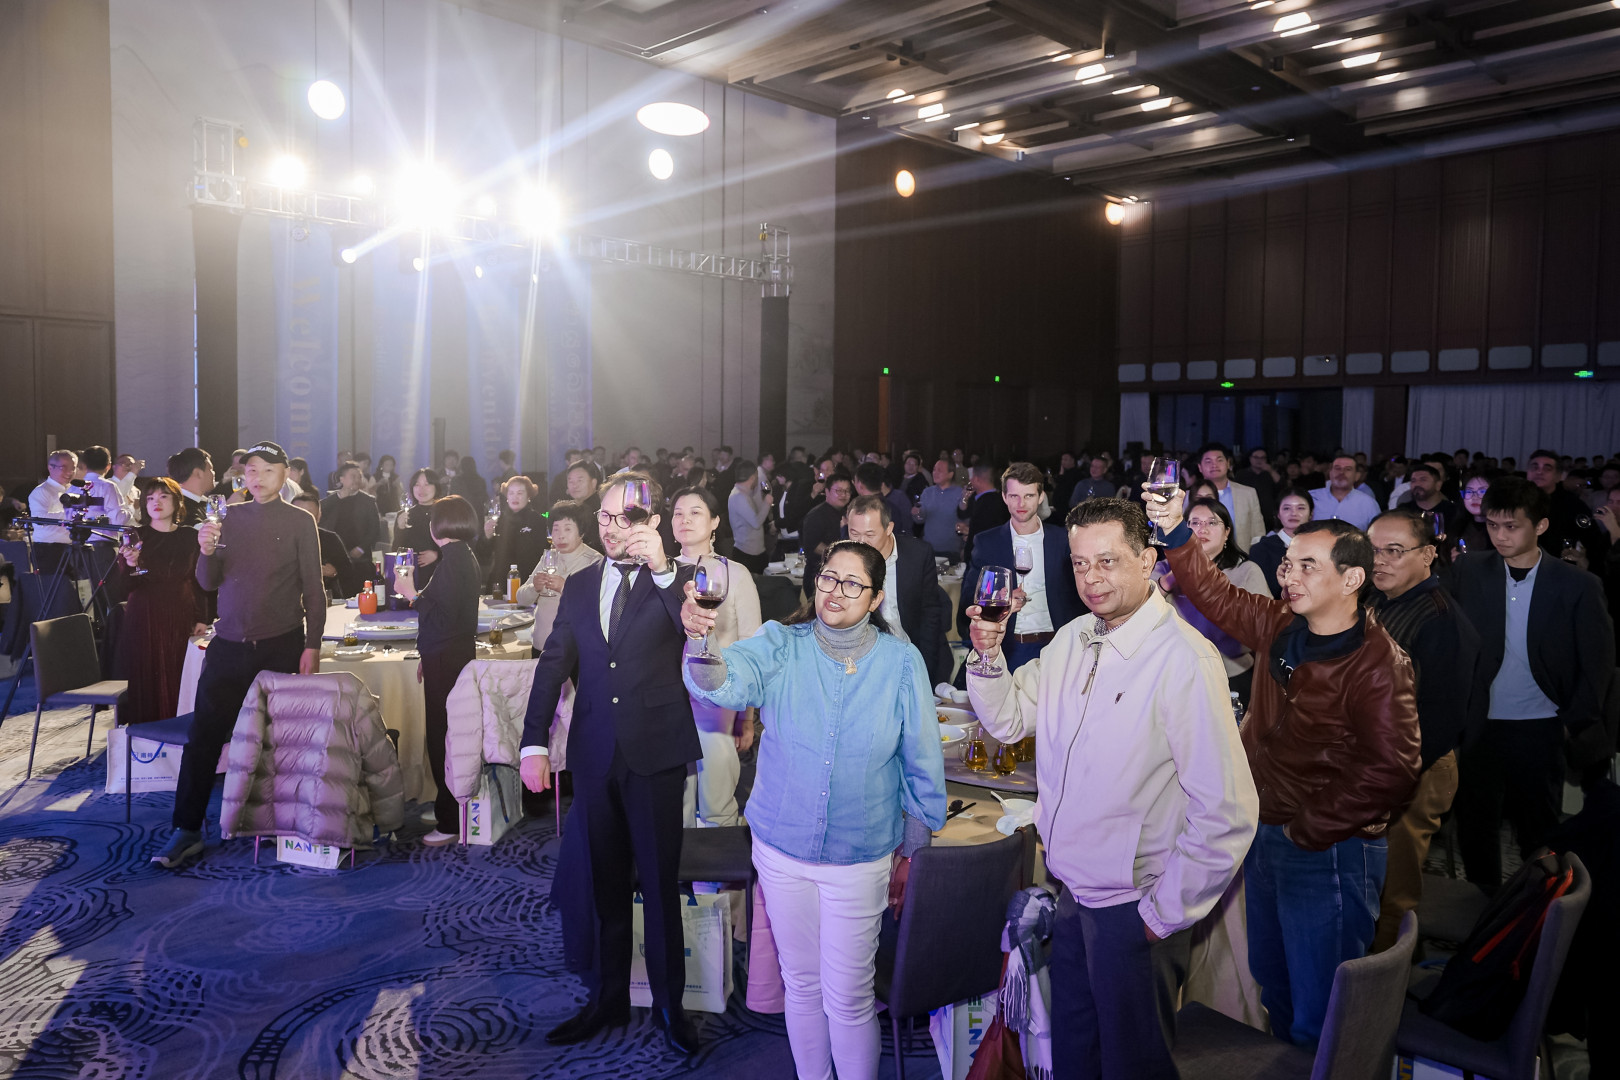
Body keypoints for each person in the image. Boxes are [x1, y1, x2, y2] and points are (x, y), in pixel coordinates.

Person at [964, 498, 1258, 1080]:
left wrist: (1161, 914)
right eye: (1079, 564)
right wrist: (988, 653)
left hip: (1134, 904)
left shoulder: (1182, 659)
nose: (1091, 578)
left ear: (1147, 561)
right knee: (1077, 1054)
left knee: (1133, 1065)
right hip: (1074, 892)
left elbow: (1228, 811)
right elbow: (1010, 720)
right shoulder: (1074, 637)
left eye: (1107, 561)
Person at [1143, 487, 1420, 1049]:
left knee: (1323, 1012)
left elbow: (1393, 768)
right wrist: (1175, 533)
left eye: (1307, 566)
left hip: (1330, 848)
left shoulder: (1377, 663)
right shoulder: (1282, 625)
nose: (1289, 575)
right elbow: (1216, 594)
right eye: (1288, 563)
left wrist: (1308, 827)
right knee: (1276, 985)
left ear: (1351, 579)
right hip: (1267, 831)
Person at [680, 540, 948, 1080]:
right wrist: (698, 640)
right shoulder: (782, 644)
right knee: (801, 986)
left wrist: (913, 851)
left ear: (875, 598)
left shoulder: (900, 662)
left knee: (848, 996)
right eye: (828, 578)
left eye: (852, 584)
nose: (835, 592)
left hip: (859, 854)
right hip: (782, 847)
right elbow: (721, 685)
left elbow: (923, 761)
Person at [518, 473, 702, 1055]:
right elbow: (553, 664)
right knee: (603, 886)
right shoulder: (579, 585)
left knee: (660, 884)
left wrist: (665, 568)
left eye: (627, 517)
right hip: (594, 753)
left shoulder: (682, 580)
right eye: (604, 516)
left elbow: (691, 632)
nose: (612, 527)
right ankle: (607, 997)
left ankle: (671, 1005)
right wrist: (532, 742)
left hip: (655, 752)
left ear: (652, 522)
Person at [153, 441, 326, 869]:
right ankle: (187, 828)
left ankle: (283, 822)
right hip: (228, 643)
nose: (257, 477)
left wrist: (313, 645)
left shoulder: (300, 520)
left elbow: (314, 589)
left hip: (281, 643)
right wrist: (206, 550)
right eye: (251, 470)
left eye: (267, 470)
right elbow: (207, 582)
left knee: (282, 739)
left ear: (284, 474)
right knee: (204, 737)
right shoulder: (227, 517)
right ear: (242, 476)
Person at [1451, 477, 1614, 891]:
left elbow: (1596, 662)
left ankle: (1537, 911)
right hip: (1480, 721)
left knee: (1538, 829)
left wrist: (1574, 720)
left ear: (1540, 526)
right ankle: (1481, 905)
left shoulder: (1577, 584)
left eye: (1511, 526)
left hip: (1542, 722)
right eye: (1492, 525)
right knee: (1476, 824)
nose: (1500, 536)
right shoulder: (1470, 570)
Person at [1366, 509, 1480, 951]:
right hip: (1375, 761)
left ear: (1429, 554)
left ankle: (1385, 980)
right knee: (1367, 880)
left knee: (1394, 890)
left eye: (1394, 551)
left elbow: (1443, 720)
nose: (1380, 560)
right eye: (1373, 550)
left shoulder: (1441, 619)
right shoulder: (1376, 599)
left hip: (1415, 768)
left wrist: (1394, 776)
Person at [669, 485, 762, 827]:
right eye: (678, 513)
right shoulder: (659, 573)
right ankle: (677, 860)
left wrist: (746, 717)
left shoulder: (734, 574)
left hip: (716, 701)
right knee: (673, 797)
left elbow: (751, 646)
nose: (685, 520)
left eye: (695, 512)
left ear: (714, 522)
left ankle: (718, 862)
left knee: (716, 797)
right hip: (667, 697)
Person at [394, 496, 482, 846]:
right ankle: (449, 807)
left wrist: (411, 594)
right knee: (448, 734)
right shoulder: (460, 556)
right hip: (446, 655)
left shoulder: (454, 560)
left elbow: (443, 617)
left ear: (439, 526)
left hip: (448, 658)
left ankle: (450, 820)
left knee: (444, 736)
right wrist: (426, 653)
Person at [956, 463, 1085, 673]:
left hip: (1058, 646)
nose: (1021, 503)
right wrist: (1001, 599)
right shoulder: (987, 543)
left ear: (1041, 497)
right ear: (1004, 497)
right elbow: (969, 596)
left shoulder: (1064, 540)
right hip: (1009, 648)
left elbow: (1080, 595)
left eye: (1029, 496)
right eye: (1014, 496)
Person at [1155, 497, 1271, 703]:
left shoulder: (1246, 571)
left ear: (1227, 532)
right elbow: (1138, 611)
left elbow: (1264, 627)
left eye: (1212, 522)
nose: (1203, 529)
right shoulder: (1163, 567)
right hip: (1173, 673)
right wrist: (1171, 579)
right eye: (1195, 522)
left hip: (1232, 674)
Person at [116, 478, 205, 724]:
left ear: (177, 502)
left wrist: (202, 616)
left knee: (180, 671)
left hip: (181, 610)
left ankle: (180, 730)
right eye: (150, 498)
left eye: (164, 496)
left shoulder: (190, 536)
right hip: (145, 613)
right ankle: (147, 736)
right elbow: (123, 588)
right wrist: (132, 565)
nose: (156, 502)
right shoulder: (136, 536)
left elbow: (198, 580)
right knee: (147, 674)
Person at [843, 494, 953, 687]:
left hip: (915, 651)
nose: (861, 542)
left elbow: (930, 616)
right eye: (854, 533)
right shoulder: (844, 558)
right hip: (868, 663)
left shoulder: (918, 554)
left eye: (870, 535)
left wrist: (924, 670)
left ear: (889, 528)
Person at [1527, 448, 1608, 565]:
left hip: (1557, 565)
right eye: (1534, 467)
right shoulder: (1515, 500)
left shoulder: (1573, 505)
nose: (1539, 472)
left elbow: (1593, 540)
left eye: (1547, 468)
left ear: (1558, 476)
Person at [291, 490, 364, 599]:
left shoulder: (330, 539)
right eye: (299, 512)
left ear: (319, 516)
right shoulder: (280, 540)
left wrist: (334, 572)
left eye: (309, 513)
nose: (303, 518)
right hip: (290, 599)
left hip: (327, 599)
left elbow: (348, 572)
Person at [480, 476, 548, 590]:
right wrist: (487, 536)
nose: (515, 497)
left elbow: (542, 554)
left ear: (528, 496)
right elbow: (483, 555)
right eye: (511, 493)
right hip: (499, 583)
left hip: (527, 584)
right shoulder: (499, 520)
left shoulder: (538, 521)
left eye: (520, 493)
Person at [1195, 443, 1265, 552]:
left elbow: (1258, 532)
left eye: (1219, 460)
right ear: (1200, 467)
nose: (1214, 465)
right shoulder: (1187, 496)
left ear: (1228, 464)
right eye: (1208, 461)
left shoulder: (1248, 493)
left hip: (1240, 557)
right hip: (1200, 557)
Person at [1248, 487, 1314, 597]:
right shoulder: (1261, 549)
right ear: (1278, 514)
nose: (1294, 513)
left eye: (1300, 508)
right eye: (1287, 508)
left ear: (1311, 513)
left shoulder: (1319, 547)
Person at [320, 461, 382, 576]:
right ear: (342, 479)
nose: (357, 480)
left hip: (360, 556)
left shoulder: (368, 501)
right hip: (333, 556)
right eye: (353, 476)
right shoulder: (331, 499)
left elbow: (374, 529)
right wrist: (339, 497)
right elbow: (318, 514)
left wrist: (361, 548)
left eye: (359, 477)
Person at [800, 472, 853, 597]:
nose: (844, 495)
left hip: (839, 575)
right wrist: (841, 555)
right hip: (819, 576)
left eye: (847, 491)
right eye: (839, 491)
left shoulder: (847, 513)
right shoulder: (816, 515)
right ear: (827, 491)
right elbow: (813, 546)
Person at [395, 468, 443, 588]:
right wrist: (400, 529)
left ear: (436, 486)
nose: (421, 489)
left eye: (427, 484)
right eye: (417, 485)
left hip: (440, 572)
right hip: (413, 575)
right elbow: (396, 551)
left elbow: (457, 547)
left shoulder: (445, 513)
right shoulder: (404, 515)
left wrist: (437, 555)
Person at [958, 461, 1011, 565]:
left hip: (984, 561)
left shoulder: (988, 503)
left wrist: (969, 546)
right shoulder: (995, 499)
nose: (970, 480)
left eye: (972, 477)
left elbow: (985, 533)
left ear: (977, 479)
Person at [1310, 454, 1381, 530]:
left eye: (1348, 469)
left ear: (1357, 476)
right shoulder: (1311, 497)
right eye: (1337, 468)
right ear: (1330, 473)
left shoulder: (1368, 503)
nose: (1341, 472)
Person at [913, 458, 965, 559]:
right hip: (928, 548)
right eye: (934, 469)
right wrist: (917, 513)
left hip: (951, 550)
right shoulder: (927, 492)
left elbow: (966, 521)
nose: (935, 473)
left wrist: (964, 547)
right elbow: (920, 520)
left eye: (939, 470)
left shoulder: (960, 493)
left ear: (950, 474)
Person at [726, 459, 771, 574]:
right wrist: (767, 503)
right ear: (753, 477)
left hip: (754, 553)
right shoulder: (739, 496)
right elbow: (756, 523)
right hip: (747, 555)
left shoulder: (744, 494)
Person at [1235, 447, 1281, 530]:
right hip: (1247, 512)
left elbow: (1281, 486)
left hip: (1268, 513)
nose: (1259, 460)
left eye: (1263, 458)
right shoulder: (1241, 474)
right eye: (1256, 457)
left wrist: (1271, 471)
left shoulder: (1270, 473)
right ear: (1250, 458)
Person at [167, 447, 216, 523]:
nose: (213, 473)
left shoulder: (203, 502)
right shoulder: (180, 507)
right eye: (210, 469)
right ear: (198, 473)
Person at [1454, 472, 1491, 557]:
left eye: (1482, 491)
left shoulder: (1504, 530)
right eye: (1469, 491)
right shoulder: (1457, 527)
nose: (1475, 497)